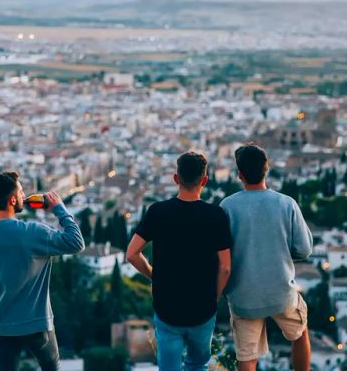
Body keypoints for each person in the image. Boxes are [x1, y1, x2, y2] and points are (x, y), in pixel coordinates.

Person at [0, 171, 85, 371]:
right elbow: (76, 242)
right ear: (12, 200)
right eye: (20, 191)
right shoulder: (33, 232)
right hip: (37, 323)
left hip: (0, 324)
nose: (24, 195)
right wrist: (59, 209)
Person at [127, 152, 232, 371]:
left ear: (176, 178)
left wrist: (153, 275)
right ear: (204, 180)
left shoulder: (158, 211)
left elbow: (132, 254)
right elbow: (225, 267)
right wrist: (215, 296)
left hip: (167, 308)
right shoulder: (216, 215)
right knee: (197, 364)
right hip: (203, 308)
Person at [220, 144, 313, 371]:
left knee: (247, 357)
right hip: (281, 292)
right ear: (267, 169)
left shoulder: (227, 207)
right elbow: (304, 249)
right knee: (300, 335)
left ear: (239, 174)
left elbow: (221, 254)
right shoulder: (286, 203)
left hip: (244, 298)